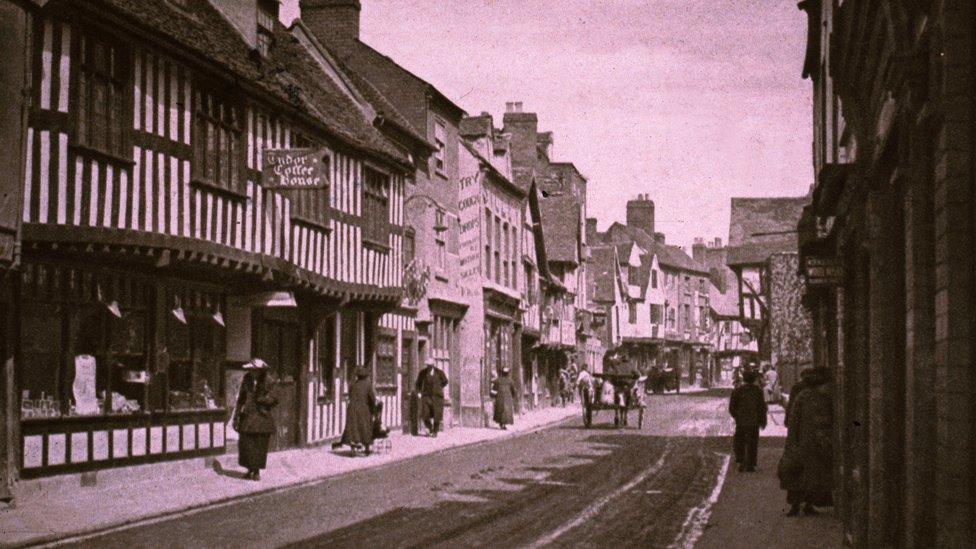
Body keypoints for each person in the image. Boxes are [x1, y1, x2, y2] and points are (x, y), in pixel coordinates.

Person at [782, 367, 833, 516]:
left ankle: (803, 505)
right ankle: (800, 505)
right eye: (825, 385)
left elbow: (793, 420)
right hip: (809, 443)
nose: (827, 388)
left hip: (809, 442)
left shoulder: (805, 397)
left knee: (805, 475)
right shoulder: (813, 398)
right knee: (803, 474)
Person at [233, 358, 278, 481]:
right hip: (248, 416)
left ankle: (256, 471)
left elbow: (275, 399)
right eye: (251, 370)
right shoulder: (247, 379)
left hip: (261, 417)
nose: (253, 373)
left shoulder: (269, 381)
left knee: (259, 445)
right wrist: (236, 416)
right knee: (246, 444)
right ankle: (249, 469)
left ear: (260, 370)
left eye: (255, 370)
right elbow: (241, 399)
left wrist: (262, 399)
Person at [728, 369, 767, 472]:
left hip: (741, 421)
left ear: (744, 379)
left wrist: (737, 416)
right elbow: (762, 407)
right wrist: (763, 421)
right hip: (754, 421)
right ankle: (751, 464)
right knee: (753, 442)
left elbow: (732, 407)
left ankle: (740, 461)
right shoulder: (758, 391)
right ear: (754, 379)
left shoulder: (737, 391)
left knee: (739, 441)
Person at [415, 357, 448, 437]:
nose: (429, 367)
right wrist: (419, 392)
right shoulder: (423, 373)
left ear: (433, 365)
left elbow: (445, 381)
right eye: (427, 365)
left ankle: (435, 431)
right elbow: (418, 383)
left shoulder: (439, 372)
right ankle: (429, 427)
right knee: (425, 414)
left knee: (437, 415)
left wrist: (438, 388)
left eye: (430, 365)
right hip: (426, 396)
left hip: (437, 397)